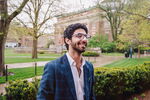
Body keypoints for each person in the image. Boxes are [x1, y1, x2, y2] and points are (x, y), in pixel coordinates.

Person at [37, 23, 96, 100]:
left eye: (85, 36)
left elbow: (91, 95)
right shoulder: (53, 67)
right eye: (79, 35)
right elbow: (43, 97)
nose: (84, 39)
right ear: (67, 40)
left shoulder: (89, 67)